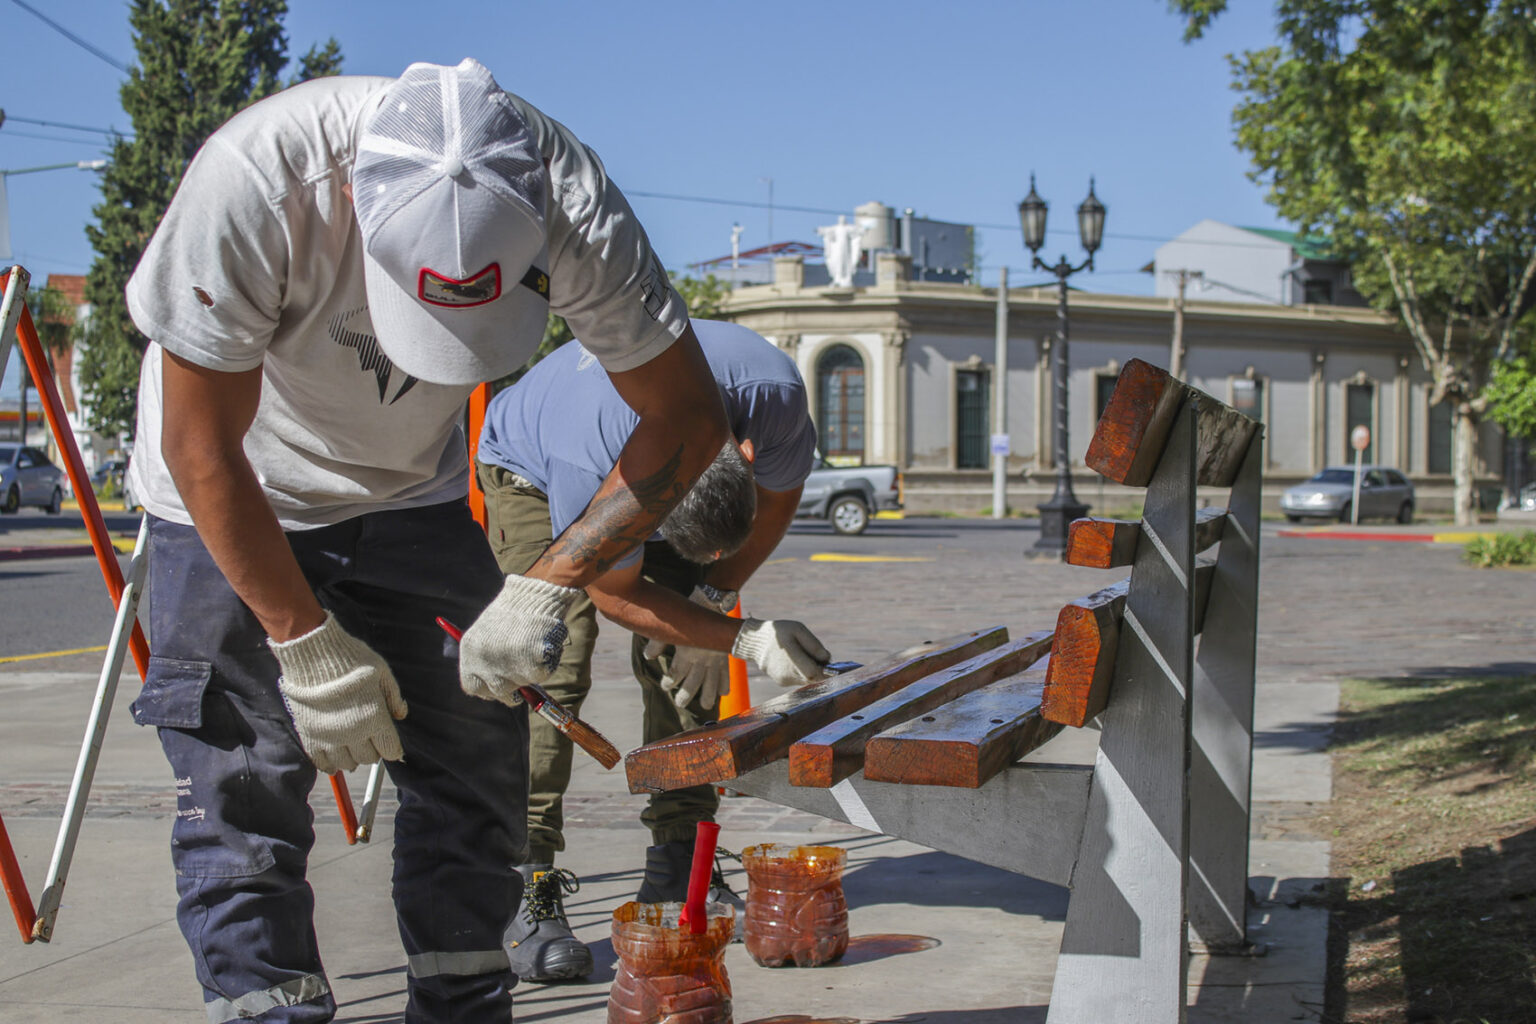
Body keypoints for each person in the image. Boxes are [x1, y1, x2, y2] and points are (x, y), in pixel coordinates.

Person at [122, 58, 731, 1024]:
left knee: (476, 758)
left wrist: (552, 580)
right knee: (246, 787)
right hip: (237, 489)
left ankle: (462, 1004)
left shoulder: (568, 196)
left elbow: (689, 417)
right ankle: (267, 1009)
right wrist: (300, 639)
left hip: (414, 495)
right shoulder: (260, 180)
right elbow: (200, 446)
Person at [475, 319, 828, 982]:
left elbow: (779, 501)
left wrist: (715, 602)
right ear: (649, 511)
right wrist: (745, 638)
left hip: (653, 447)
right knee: (550, 667)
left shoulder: (774, 399)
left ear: (744, 453)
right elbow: (613, 592)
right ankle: (527, 879)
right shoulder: (590, 462)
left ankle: (677, 865)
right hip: (534, 469)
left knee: (686, 675)